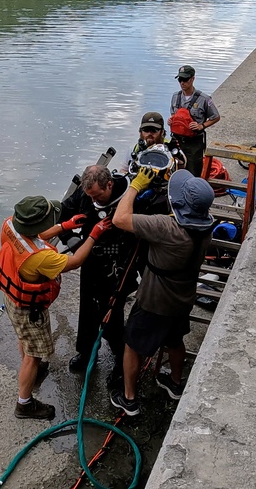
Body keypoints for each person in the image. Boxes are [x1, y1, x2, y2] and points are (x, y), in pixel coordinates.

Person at [108, 168, 214, 416]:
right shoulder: (206, 227)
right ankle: (176, 384)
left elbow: (119, 219)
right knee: (175, 340)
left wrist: (135, 185)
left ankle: (129, 399)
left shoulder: (165, 227)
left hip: (154, 301)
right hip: (184, 297)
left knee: (132, 345)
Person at [0, 195, 112, 420]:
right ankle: (25, 403)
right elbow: (76, 260)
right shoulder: (41, 259)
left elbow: (33, 236)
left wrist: (64, 226)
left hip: (11, 299)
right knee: (34, 353)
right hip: (29, 310)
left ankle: (32, 369)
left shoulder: (9, 224)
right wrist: (94, 233)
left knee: (25, 340)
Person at [59, 164, 169, 387]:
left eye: (97, 195)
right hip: (91, 260)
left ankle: (122, 360)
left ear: (109, 184)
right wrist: (71, 240)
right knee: (88, 309)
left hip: (121, 265)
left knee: (112, 315)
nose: (93, 200)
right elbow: (63, 214)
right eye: (89, 196)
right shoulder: (85, 194)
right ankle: (87, 350)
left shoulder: (131, 199)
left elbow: (151, 232)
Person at [169, 65, 221, 177]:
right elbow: (173, 113)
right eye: (180, 80)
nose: (182, 83)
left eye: (185, 79)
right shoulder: (175, 97)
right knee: (174, 170)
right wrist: (172, 121)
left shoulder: (204, 99)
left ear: (193, 78)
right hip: (177, 140)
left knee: (193, 172)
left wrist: (201, 126)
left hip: (194, 143)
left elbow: (215, 117)